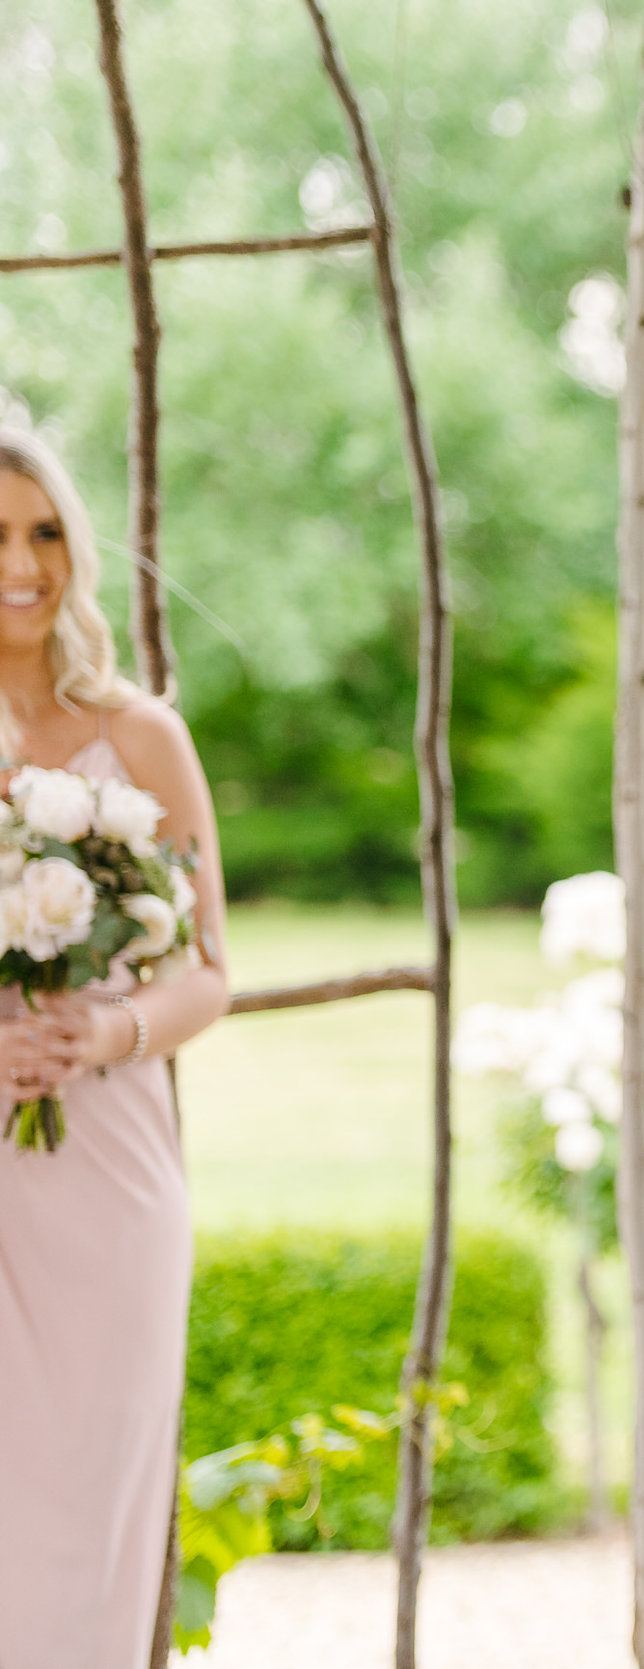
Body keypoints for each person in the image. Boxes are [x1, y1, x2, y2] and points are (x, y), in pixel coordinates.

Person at [0, 428, 231, 1667]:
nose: (23, 564)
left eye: (44, 532)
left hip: (110, 1180)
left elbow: (209, 972)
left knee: (87, 1530)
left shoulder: (138, 736)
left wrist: (104, 1030)